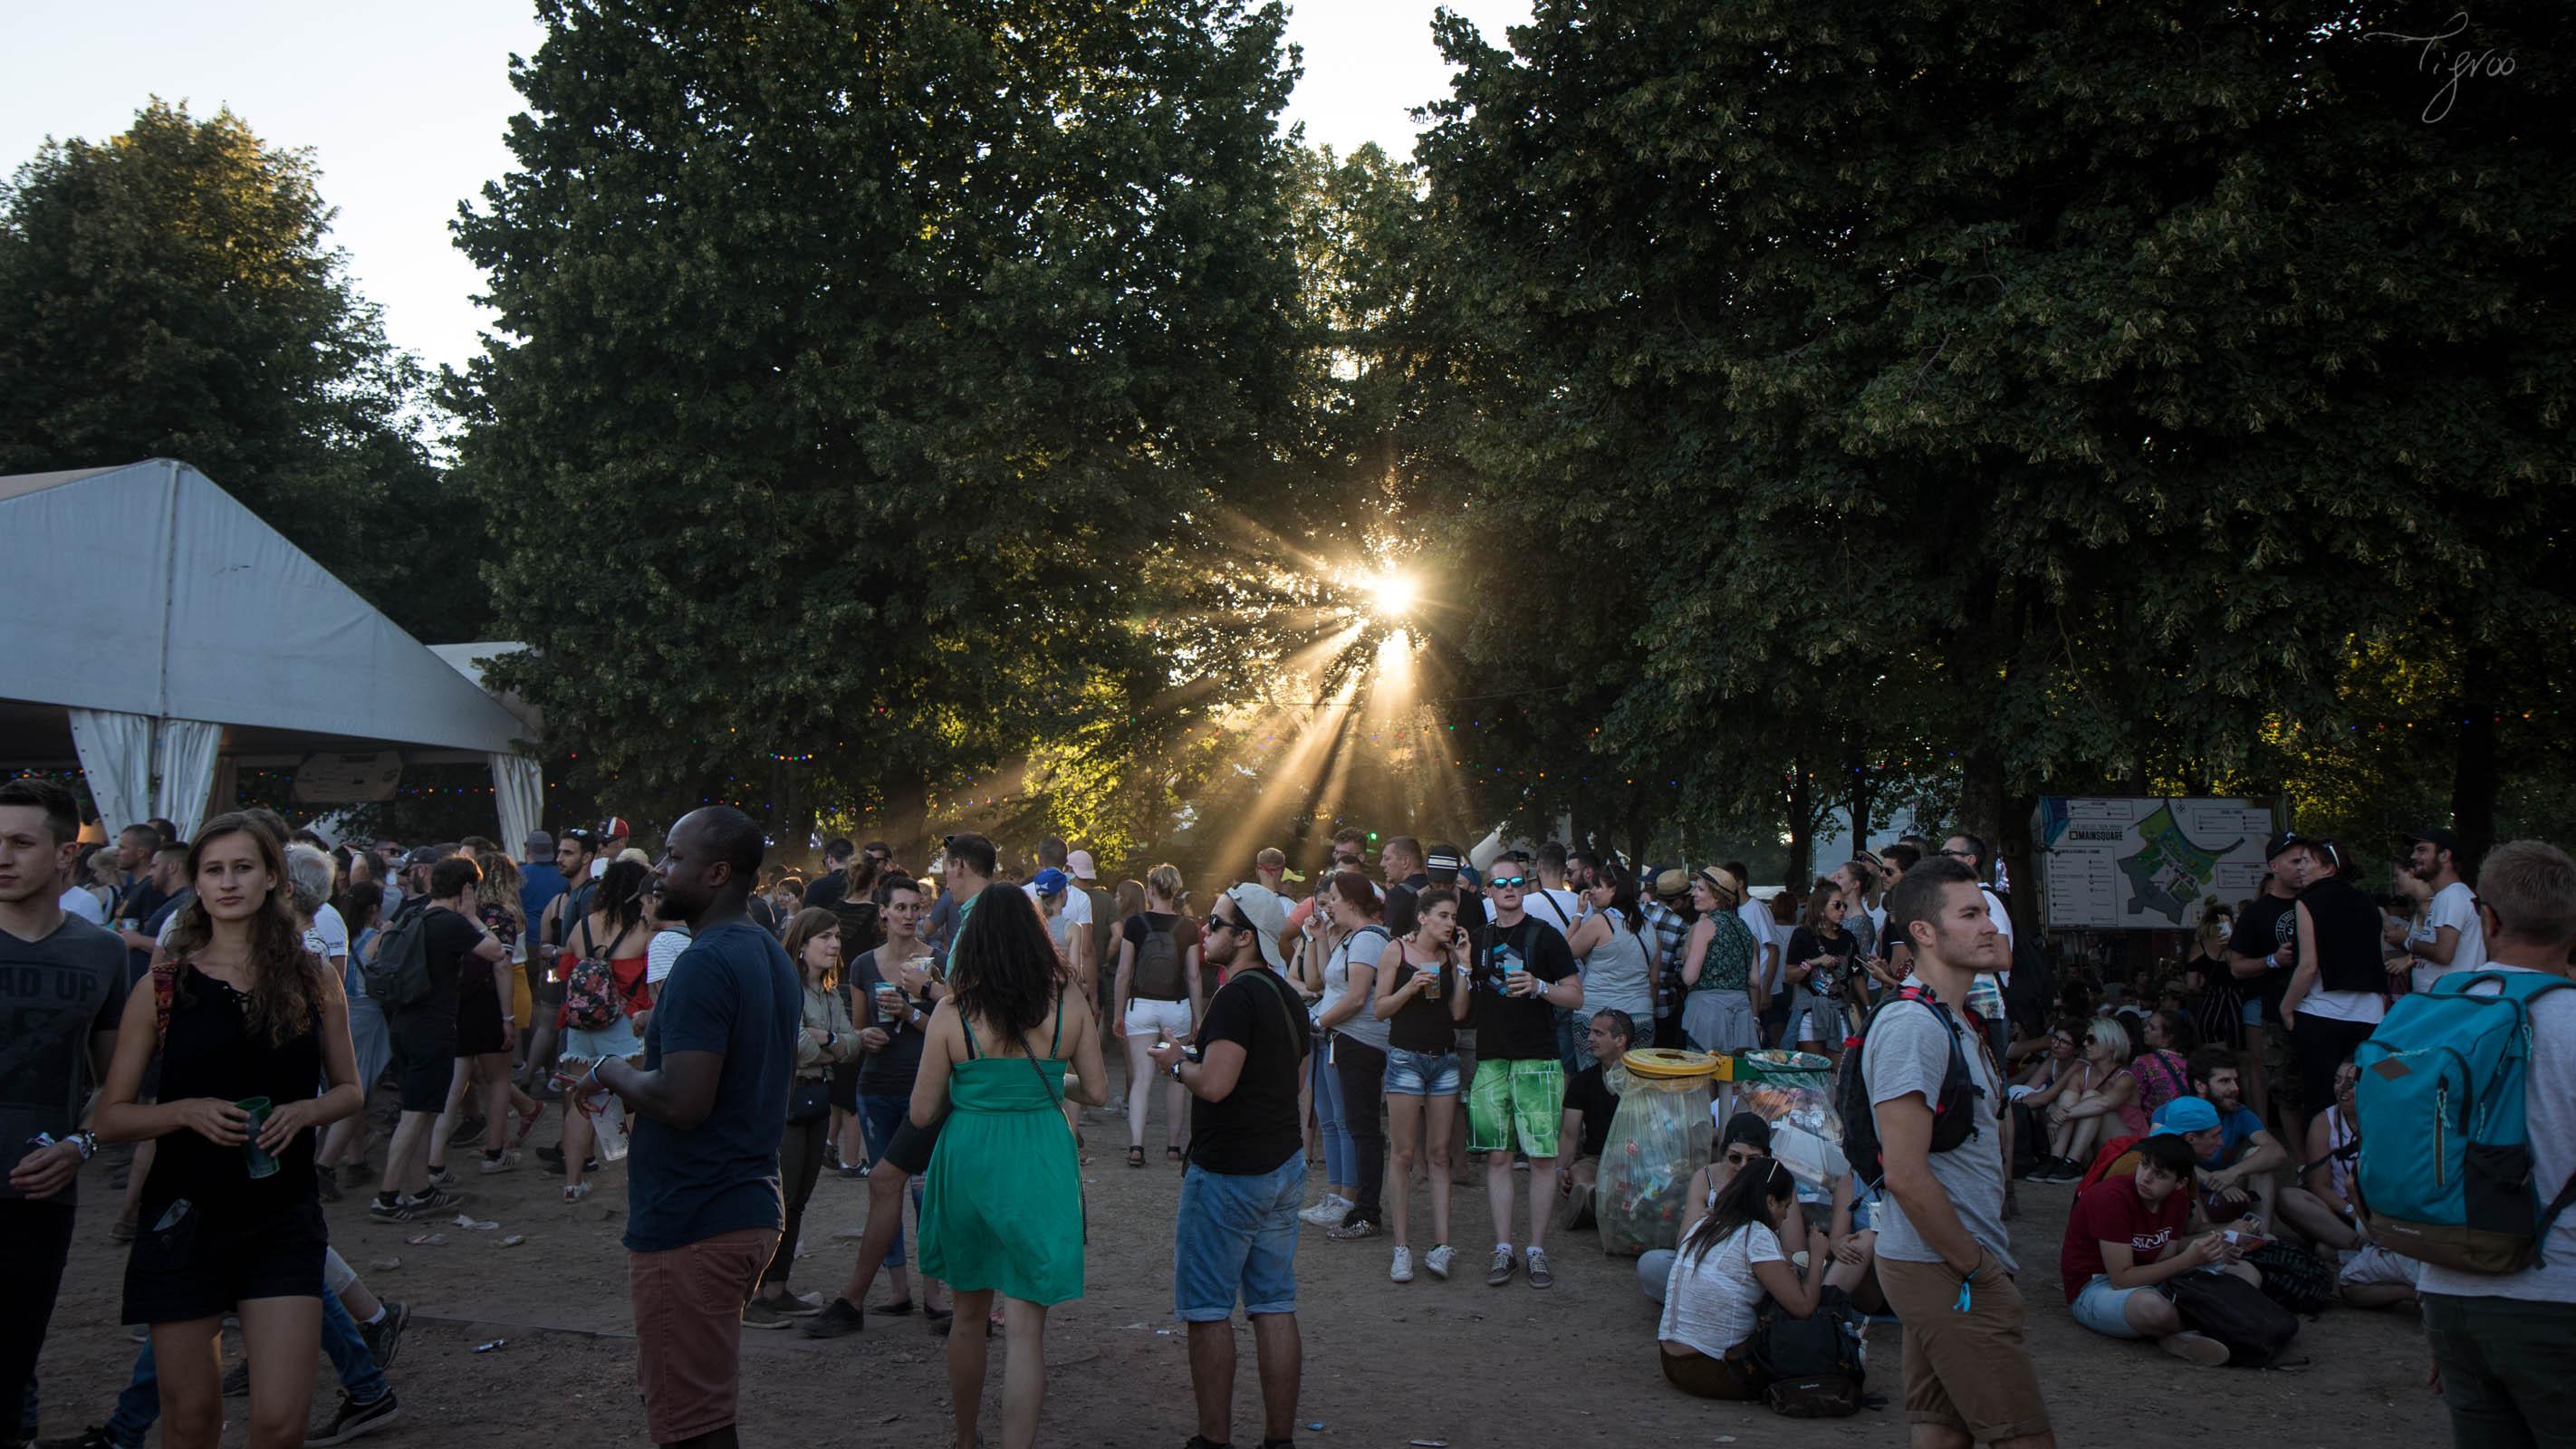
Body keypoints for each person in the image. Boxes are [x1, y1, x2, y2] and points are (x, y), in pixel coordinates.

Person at [91, 813, 363, 1449]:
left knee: (279, 1423)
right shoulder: (164, 986)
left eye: (243, 867)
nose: (228, 882)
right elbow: (110, 1116)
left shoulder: (311, 975)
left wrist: (305, 1111)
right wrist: (185, 1111)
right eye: (214, 871)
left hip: (283, 1217)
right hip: (184, 1217)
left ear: (272, 877)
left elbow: (350, 1090)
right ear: (197, 884)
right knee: (191, 1422)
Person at [583, 806, 798, 1449]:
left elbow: (682, 1101)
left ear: (717, 873)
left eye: (674, 856)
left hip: (695, 1214)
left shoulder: (708, 960)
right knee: (699, 1411)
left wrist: (606, 1070)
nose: (657, 869)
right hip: (742, 1201)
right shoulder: (763, 948)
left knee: (691, 1426)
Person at [1862, 856, 2052, 1449]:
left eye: (1989, 913)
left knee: (1942, 1431)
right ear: (1923, 931)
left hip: (1944, 1261)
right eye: (1970, 914)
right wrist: (1976, 1267)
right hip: (1944, 1267)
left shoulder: (1957, 1021)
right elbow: (1905, 1174)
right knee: (2023, 1437)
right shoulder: (1913, 1027)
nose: (1990, 927)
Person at [910, 884, 1107, 1449]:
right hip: (1040, 1154)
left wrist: (977, 1081)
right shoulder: (1069, 1001)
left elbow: (922, 1112)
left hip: (970, 1155)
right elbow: (1094, 1089)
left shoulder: (952, 1011)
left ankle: (966, 1440)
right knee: (1025, 1332)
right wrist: (1039, 1079)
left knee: (969, 1314)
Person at [2415, 840, 2576, 1446]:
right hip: (2557, 1295)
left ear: (2487, 919)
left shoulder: (2429, 1017)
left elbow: (2415, 1168)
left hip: (2450, 1294)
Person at [1146, 883, 1306, 1449]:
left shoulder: (1237, 997)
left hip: (1230, 1172)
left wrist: (1173, 1065)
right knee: (1273, 1304)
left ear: (1245, 938)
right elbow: (1285, 1083)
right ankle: (1279, 1440)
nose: (1204, 929)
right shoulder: (1285, 995)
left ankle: (1213, 1439)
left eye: (1215, 923)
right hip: (1282, 1163)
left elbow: (1214, 1084)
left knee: (1210, 1310)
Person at [1, 779, 128, 1429]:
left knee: (17, 1356)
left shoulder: (101, 952)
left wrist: (85, 1145)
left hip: (39, 1191)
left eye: (20, 843)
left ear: (63, 855)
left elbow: (116, 1082)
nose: (2, 857)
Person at [803, 875, 950, 1338]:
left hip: (923, 1088)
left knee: (925, 1192)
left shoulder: (937, 961)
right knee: (881, 1188)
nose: (908, 915)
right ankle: (897, 1291)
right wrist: (864, 1037)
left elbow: (952, 1032)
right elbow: (861, 1031)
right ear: (883, 912)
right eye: (900, 907)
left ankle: (935, 1298)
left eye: (915, 907)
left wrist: (912, 1012)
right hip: (875, 1087)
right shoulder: (865, 964)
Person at [1466, 859, 1583, 1289]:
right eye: (1501, 883)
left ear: (1526, 887)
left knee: (1541, 1159)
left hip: (1539, 1058)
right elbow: (1462, 1008)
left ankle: (1535, 1250)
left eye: (1517, 881)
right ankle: (1504, 1248)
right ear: (1489, 892)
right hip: (1491, 1058)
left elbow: (1576, 996)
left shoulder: (1546, 936)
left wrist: (1540, 987)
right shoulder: (1477, 940)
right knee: (1497, 1158)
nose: (1510, 888)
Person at [745, 907, 860, 1328]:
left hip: (817, 1101)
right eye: (825, 937)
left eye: (836, 937)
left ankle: (777, 1289)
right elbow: (799, 1048)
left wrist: (827, 1039)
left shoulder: (828, 992)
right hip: (789, 1103)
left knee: (798, 1201)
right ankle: (754, 1294)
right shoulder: (786, 987)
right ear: (803, 942)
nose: (833, 945)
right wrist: (834, 1044)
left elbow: (851, 1045)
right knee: (778, 1200)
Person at [373, 856, 507, 1222]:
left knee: (424, 1111)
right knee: (415, 1115)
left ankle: (421, 1192)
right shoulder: (451, 922)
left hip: (403, 1024)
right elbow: (497, 952)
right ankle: (387, 1197)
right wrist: (471, 914)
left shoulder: (412, 915)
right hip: (433, 1029)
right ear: (466, 889)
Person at [1653, 1161, 1841, 1400]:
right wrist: (1817, 1258)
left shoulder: (1704, 1224)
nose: (1785, 1215)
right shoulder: (1756, 1235)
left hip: (1671, 1361)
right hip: (1711, 1370)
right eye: (1786, 1206)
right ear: (1770, 1201)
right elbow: (1803, 1307)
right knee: (1805, 1349)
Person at [2059, 1133, 2253, 1364]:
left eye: (2159, 1175)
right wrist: (2189, 1260)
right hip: (2096, 1287)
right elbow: (2121, 1279)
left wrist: (2213, 1252)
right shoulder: (2110, 1199)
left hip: (2150, 1279)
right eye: (2144, 1166)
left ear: (2180, 1183)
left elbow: (2164, 1257)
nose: (2145, 1178)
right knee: (2153, 1309)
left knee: (2246, 1272)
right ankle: (2207, 1327)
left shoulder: (2177, 1200)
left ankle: (2178, 1333)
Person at [1372, 883, 1468, 1282]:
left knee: (1441, 1153)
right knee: (1404, 1154)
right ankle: (1401, 1247)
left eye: (1453, 917)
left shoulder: (1450, 956)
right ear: (1423, 917)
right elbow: (1379, 1010)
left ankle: (1441, 1245)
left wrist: (1463, 966)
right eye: (1443, 916)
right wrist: (1409, 987)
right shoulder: (1396, 950)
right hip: (1406, 1058)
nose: (1450, 924)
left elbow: (1459, 1013)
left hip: (1444, 1059)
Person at [2273, 1056, 2420, 1310]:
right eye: (2337, 1080)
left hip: (2382, 1215)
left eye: (2351, 1082)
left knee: (2323, 1249)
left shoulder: (2387, 1120)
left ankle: (2352, 1253)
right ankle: (2361, 1247)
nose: (2341, 1088)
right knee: (2288, 1197)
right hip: (2343, 1213)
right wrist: (2353, 1212)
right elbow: (2318, 1185)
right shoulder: (2324, 1121)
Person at [547, 859, 657, 1198]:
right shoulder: (645, 930)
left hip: (582, 1027)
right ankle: (641, 1179)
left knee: (582, 1101)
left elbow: (564, 972)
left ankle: (572, 1181)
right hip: (626, 1025)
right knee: (636, 1101)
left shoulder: (582, 925)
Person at [1313, 871, 1394, 1240]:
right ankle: (1361, 1208)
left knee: (1362, 1129)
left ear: (1351, 900)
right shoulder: (1354, 938)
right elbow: (1333, 982)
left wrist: (1319, 1021)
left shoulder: (1366, 940)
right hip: (1346, 1040)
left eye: (1333, 897)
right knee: (1355, 1126)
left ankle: (1366, 1212)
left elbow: (1358, 997)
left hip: (1359, 1042)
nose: (1329, 904)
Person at [1113, 863, 1206, 1168]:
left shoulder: (1135, 924)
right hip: (1175, 1007)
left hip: (1140, 1006)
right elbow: (1193, 977)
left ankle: (1136, 1146)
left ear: (1150, 889)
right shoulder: (1187, 927)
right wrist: (1197, 1016)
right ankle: (1173, 1146)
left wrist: (1118, 1013)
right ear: (1175, 890)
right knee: (1176, 1078)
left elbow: (1124, 972)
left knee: (1142, 1077)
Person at [1638, 1112, 1779, 1301]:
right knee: (1652, 1263)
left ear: (1766, 1158)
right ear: (1724, 1154)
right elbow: (1683, 1244)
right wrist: (1706, 1222)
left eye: (1753, 1161)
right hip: (1707, 1266)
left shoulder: (1777, 1181)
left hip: (1755, 1273)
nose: (1743, 1167)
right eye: (1735, 1158)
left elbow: (1793, 1250)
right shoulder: (1706, 1177)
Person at [2227, 833, 2312, 1132]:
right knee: (2284, 1092)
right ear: (2274, 866)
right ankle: (2301, 1163)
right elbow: (2236, 967)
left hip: (2321, 1011)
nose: (2302, 866)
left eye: (2306, 860)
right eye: (2295, 861)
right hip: (2276, 1014)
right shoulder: (2256, 914)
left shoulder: (2319, 900)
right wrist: (2273, 961)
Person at [2029, 1019, 2145, 1184]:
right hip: (2092, 1146)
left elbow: (2105, 1103)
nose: (2085, 1044)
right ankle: (2056, 1158)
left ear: (2111, 1044)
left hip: (2127, 1148)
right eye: (2085, 1039)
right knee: (2070, 1097)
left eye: (2092, 1040)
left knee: (2091, 1096)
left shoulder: (2125, 1078)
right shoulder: (2081, 1074)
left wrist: (2060, 1116)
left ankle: (2072, 1162)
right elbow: (2067, 1102)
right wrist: (2063, 1113)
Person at [2183, 1046, 2287, 1223]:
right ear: (2200, 1085)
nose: (2235, 1088)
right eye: (2225, 1081)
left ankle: (2261, 1238)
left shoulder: (2239, 1113)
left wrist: (2233, 1172)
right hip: (2188, 1199)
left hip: (2231, 1191)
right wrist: (2213, 1180)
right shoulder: (2175, 1112)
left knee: (2257, 1156)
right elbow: (2162, 1157)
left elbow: (2277, 1152)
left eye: (2235, 1080)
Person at [1554, 1009, 1636, 1234]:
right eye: (1590, 1032)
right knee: (1580, 1177)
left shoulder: (1642, 1079)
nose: (1590, 1039)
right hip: (1596, 1160)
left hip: (1635, 1159)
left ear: (1620, 1040)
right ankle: (1601, 1202)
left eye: (1598, 1033)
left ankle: (1597, 1206)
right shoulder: (1582, 1082)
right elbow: (1569, 1134)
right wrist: (1561, 1170)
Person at [1563, 862, 1654, 1063]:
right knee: (1635, 1082)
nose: (1593, 891)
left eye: (1598, 887)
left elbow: (1566, 951)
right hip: (1641, 1016)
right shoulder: (1649, 928)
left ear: (1613, 889)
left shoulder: (1600, 922)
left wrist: (1579, 913)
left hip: (1596, 1016)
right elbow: (1654, 979)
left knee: (1593, 1081)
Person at [1679, 867, 1763, 1053]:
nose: (1694, 893)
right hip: (1741, 1015)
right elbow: (1755, 980)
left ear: (1717, 896)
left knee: (1705, 1075)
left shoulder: (1705, 926)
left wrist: (1684, 960)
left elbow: (1689, 978)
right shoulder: (1743, 928)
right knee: (1735, 1078)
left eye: (1701, 889)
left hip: (1708, 1014)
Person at [2397, 827, 2485, 993]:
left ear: (2444, 855)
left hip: (2445, 1003)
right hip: (2443, 1001)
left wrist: (2406, 940)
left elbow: (2443, 954)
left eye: (2422, 850)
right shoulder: (2449, 895)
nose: (2413, 856)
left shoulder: (2451, 895)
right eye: (2414, 851)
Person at [1782, 878, 1858, 1058]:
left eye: (1845, 906)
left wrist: (1868, 1007)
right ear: (1821, 907)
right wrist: (1814, 962)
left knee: (1840, 1073)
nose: (1842, 910)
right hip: (1811, 1012)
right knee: (1816, 1073)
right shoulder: (1802, 935)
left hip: (1839, 1011)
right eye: (1837, 905)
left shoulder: (1847, 938)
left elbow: (1857, 975)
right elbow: (1790, 976)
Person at [1640, 868, 1693, 1048]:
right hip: (1662, 1006)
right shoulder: (1682, 927)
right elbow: (1680, 972)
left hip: (1631, 1000)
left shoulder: (1637, 912)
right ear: (1678, 901)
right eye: (1688, 899)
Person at [2130, 1009, 2196, 1122]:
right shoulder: (2191, 1060)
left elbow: (2132, 1101)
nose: (2145, 1030)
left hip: (2159, 1128)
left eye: (2152, 1028)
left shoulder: (2143, 1062)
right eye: (2146, 1025)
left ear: (2169, 1038)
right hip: (2189, 1121)